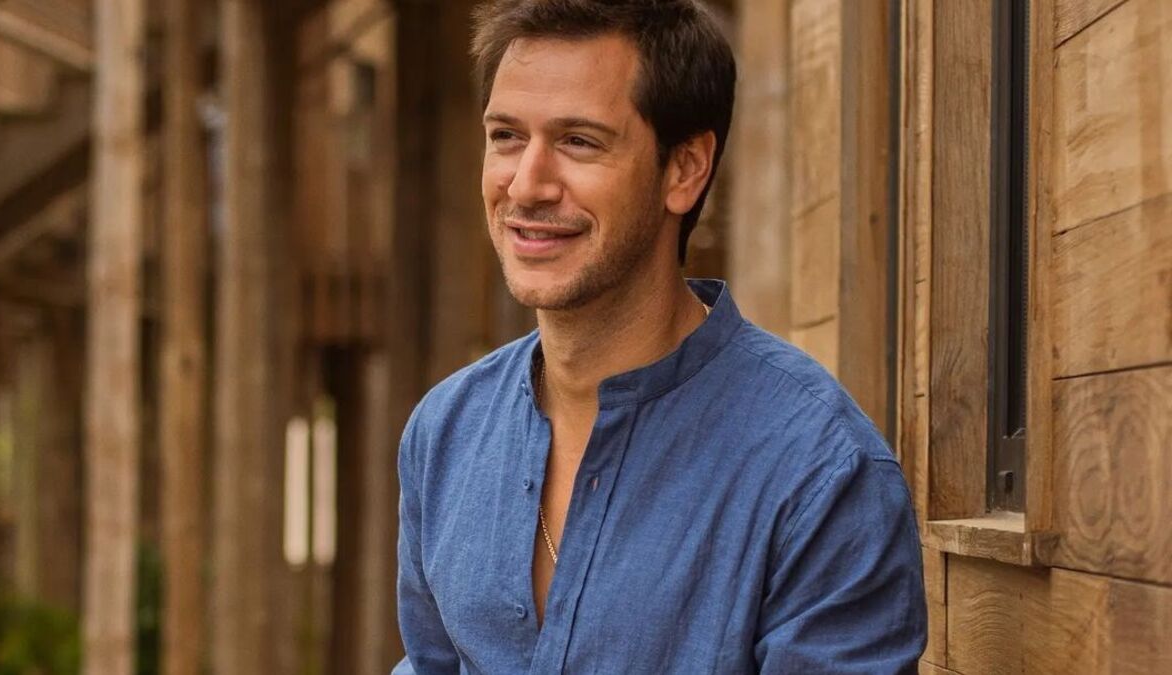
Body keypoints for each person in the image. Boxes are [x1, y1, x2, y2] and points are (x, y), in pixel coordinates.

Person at [393, 0, 927, 672]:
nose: (526, 185)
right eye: (506, 136)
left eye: (579, 141)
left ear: (685, 169)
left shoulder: (821, 475)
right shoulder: (446, 432)